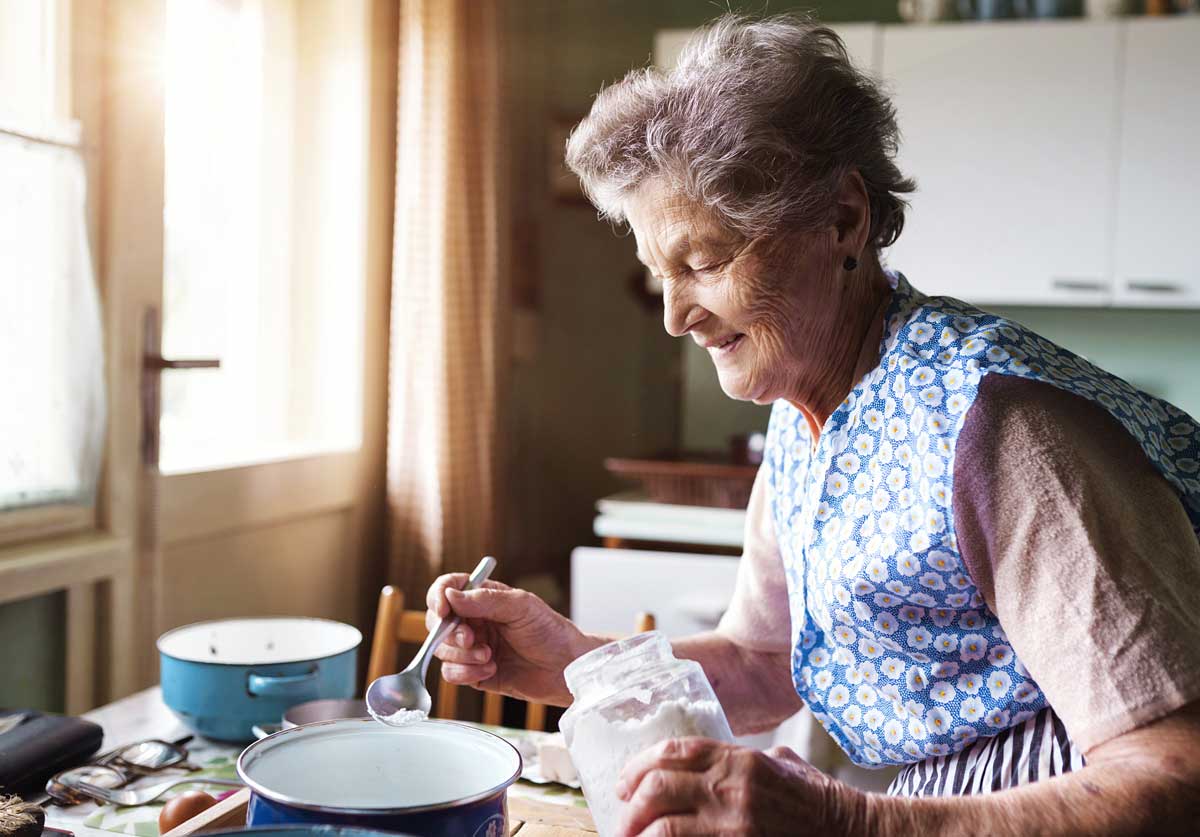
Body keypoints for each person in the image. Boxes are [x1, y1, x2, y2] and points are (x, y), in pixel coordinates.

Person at [425, 13, 1200, 835]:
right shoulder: (808, 411)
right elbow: (765, 664)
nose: (675, 317)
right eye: (661, 276)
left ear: (843, 221)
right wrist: (571, 659)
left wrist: (848, 821)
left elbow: (1175, 776)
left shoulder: (1004, 429)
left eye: (706, 262)